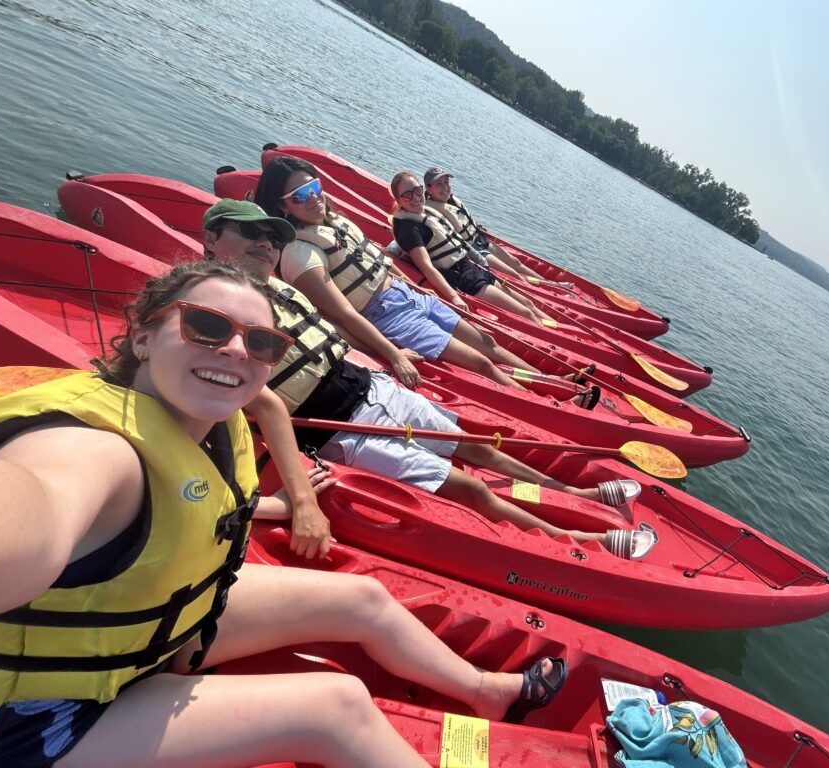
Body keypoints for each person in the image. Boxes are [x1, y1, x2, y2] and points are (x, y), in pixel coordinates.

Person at [0, 260, 568, 768]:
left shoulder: (210, 419)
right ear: (143, 336)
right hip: (41, 718)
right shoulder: (96, 449)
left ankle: (485, 689)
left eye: (261, 344)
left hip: (152, 629)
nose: (237, 350)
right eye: (206, 327)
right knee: (333, 710)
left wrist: (283, 505)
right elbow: (31, 513)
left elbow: (205, 501)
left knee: (360, 600)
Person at [201, 199, 654, 560]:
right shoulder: (211, 308)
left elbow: (327, 333)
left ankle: (573, 492)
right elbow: (253, 399)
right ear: (212, 238)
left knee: (479, 447)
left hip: (373, 388)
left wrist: (387, 355)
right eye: (250, 233)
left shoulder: (276, 287)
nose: (265, 244)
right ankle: (577, 540)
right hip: (337, 427)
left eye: (269, 237)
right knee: (471, 486)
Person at [252, 156, 582, 399]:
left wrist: (414, 287)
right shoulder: (300, 254)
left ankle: (551, 383)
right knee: (481, 364)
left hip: (406, 296)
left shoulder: (334, 224)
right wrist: (392, 354)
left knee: (488, 343)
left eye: (314, 187)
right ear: (282, 207)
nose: (313, 198)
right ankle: (549, 403)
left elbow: (378, 260)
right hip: (385, 316)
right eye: (299, 196)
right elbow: (343, 314)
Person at [390, 171, 551, 323]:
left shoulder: (427, 213)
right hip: (462, 279)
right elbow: (427, 268)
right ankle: (550, 335)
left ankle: (561, 330)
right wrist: (454, 297)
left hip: (471, 267)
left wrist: (480, 260)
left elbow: (459, 242)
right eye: (407, 195)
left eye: (417, 191)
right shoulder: (409, 229)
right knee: (526, 313)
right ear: (398, 200)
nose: (415, 198)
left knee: (528, 303)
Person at [423, 166, 544, 280]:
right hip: (472, 249)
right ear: (428, 188)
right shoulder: (431, 211)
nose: (445, 188)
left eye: (446, 182)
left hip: (480, 239)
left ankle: (555, 286)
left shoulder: (450, 200)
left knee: (516, 262)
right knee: (512, 273)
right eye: (438, 184)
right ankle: (542, 292)